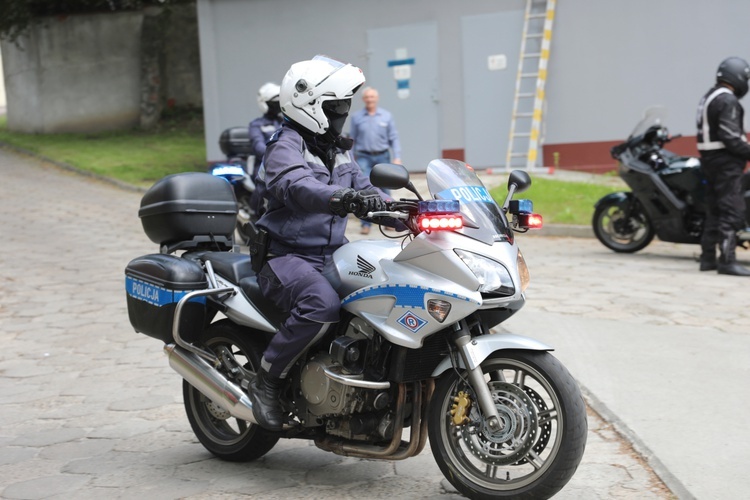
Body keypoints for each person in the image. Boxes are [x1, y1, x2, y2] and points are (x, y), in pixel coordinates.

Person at [249, 55, 392, 430]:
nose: (344, 112)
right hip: (285, 257)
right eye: (336, 106)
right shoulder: (286, 146)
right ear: (310, 106)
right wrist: (338, 198)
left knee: (385, 288)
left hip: (331, 255)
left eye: (345, 105)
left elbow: (366, 190)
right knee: (320, 304)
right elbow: (295, 185)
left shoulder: (336, 150)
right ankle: (267, 381)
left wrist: (410, 209)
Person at [696, 56, 750, 276]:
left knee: (715, 210)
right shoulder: (727, 100)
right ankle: (727, 261)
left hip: (709, 160)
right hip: (726, 163)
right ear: (737, 76)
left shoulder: (708, 96)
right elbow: (731, 137)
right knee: (732, 210)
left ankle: (707, 258)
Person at [349, 87, 402, 234]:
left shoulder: (386, 116)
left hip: (382, 156)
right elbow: (352, 138)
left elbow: (394, 138)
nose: (370, 99)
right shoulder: (356, 117)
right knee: (365, 188)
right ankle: (365, 224)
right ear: (363, 99)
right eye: (367, 97)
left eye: (372, 97)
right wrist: (351, 158)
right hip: (364, 157)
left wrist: (397, 156)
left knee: (385, 189)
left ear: (376, 98)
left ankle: (389, 221)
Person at [248, 83, 283, 216]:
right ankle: (255, 213)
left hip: (285, 161)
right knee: (263, 181)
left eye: (279, 102)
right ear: (264, 103)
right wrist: (276, 156)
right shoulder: (256, 124)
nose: (278, 105)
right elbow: (258, 146)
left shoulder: (286, 122)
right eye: (274, 102)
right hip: (263, 163)